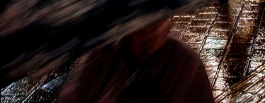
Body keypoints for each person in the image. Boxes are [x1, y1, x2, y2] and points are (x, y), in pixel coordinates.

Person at [58, 18, 214, 103]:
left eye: (160, 15)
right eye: (143, 17)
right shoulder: (101, 60)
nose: (151, 27)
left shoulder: (187, 64)